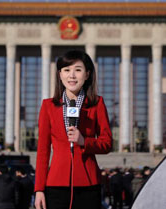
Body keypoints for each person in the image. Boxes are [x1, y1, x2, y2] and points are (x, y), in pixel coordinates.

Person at [34, 50, 112, 209]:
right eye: (67, 70)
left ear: (87, 74)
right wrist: (39, 189)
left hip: (88, 184)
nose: (72, 75)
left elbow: (107, 143)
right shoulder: (48, 106)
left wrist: (84, 141)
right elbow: (43, 151)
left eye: (78, 70)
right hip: (56, 184)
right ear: (60, 74)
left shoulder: (97, 104)